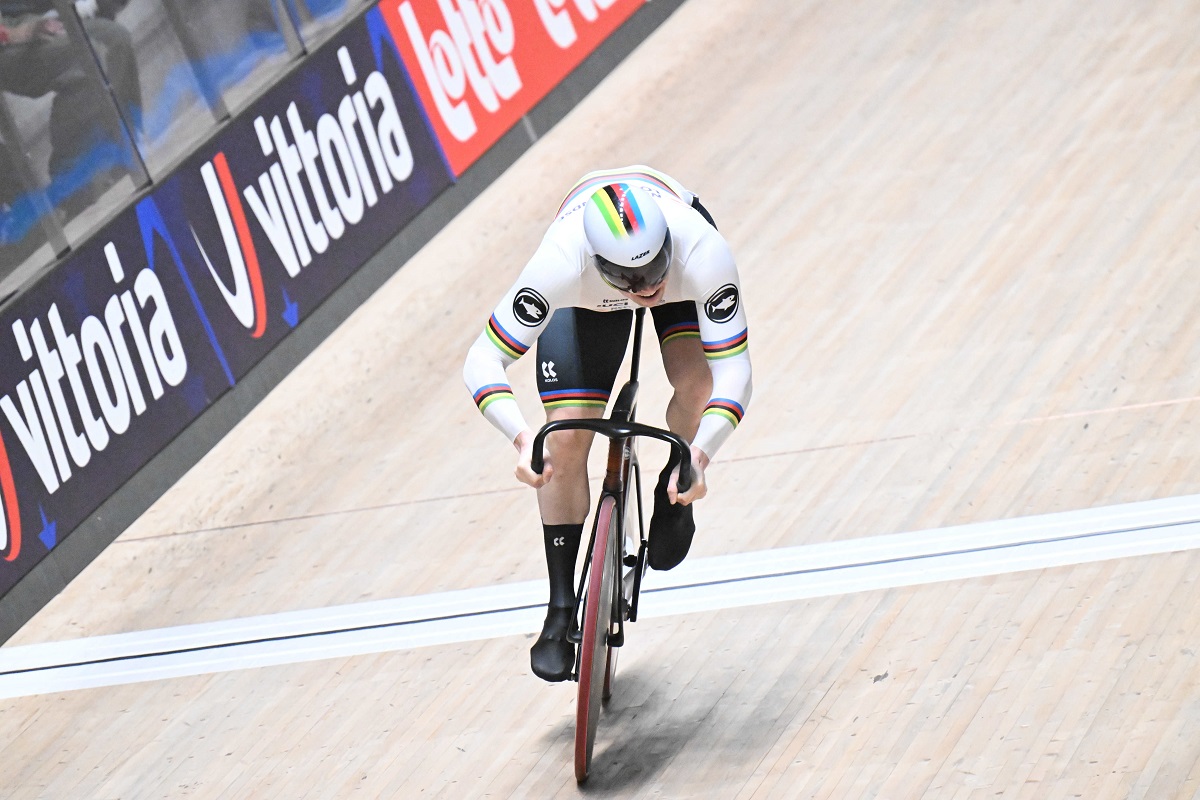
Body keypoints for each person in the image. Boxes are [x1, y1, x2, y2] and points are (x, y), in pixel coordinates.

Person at [463, 166, 753, 682]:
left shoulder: (701, 251)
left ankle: (675, 484)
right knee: (564, 437)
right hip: (586, 299)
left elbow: (736, 372)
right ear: (598, 261)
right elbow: (482, 360)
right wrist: (523, 439)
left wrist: (700, 455)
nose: (648, 287)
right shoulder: (560, 263)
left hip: (673, 282)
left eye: (655, 268)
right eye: (631, 279)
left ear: (667, 243)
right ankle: (559, 609)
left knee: (697, 384)